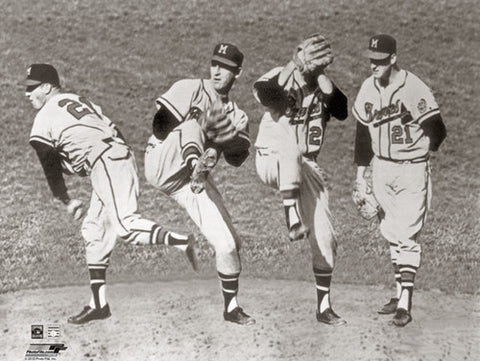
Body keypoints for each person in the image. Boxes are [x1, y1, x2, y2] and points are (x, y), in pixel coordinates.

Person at [24, 63, 199, 325]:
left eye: (32, 88)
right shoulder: (79, 100)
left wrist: (65, 198)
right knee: (94, 231)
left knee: (125, 225)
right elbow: (115, 131)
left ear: (47, 87)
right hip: (116, 157)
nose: (27, 94)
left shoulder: (45, 114)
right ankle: (99, 304)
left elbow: (47, 157)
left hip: (106, 162)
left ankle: (181, 241)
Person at [144, 43, 254, 325]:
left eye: (226, 67)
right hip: (162, 160)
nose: (217, 70)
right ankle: (197, 165)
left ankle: (231, 309)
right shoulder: (190, 88)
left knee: (230, 244)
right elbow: (159, 126)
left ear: (238, 72)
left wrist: (222, 140)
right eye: (214, 64)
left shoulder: (238, 115)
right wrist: (206, 127)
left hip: (187, 183)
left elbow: (237, 159)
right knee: (193, 124)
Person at [253, 34, 348, 326]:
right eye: (308, 57)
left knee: (326, 237)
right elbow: (267, 92)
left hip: (306, 167)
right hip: (272, 157)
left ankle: (324, 307)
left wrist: (319, 74)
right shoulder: (278, 77)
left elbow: (342, 109)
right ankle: (290, 213)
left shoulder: (322, 86)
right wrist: (294, 64)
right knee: (290, 147)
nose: (310, 62)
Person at [352, 34, 447, 327]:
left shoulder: (414, 88)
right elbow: (362, 135)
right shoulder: (368, 87)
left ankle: (405, 303)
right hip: (381, 168)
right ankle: (398, 293)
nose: (373, 65)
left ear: (393, 58)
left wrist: (419, 155)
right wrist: (360, 177)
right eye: (371, 59)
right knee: (391, 232)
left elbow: (438, 131)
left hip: (411, 170)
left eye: (379, 60)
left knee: (406, 235)